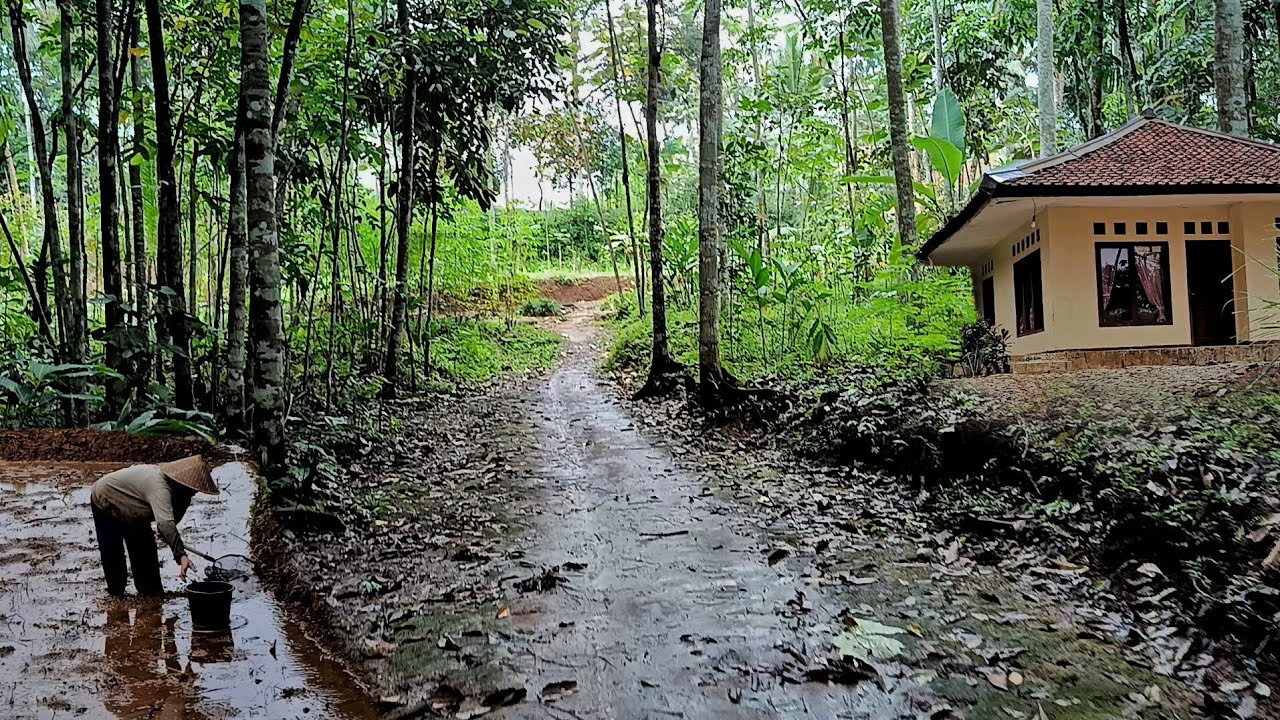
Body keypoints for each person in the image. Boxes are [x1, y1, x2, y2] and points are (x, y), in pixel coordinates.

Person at [90, 455, 219, 596]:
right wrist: (181, 555)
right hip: (106, 500)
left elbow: (170, 522)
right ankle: (116, 597)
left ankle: (151, 595)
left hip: (135, 511)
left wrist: (167, 536)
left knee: (145, 552)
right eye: (192, 489)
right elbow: (166, 524)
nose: (194, 492)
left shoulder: (181, 495)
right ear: (181, 483)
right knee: (114, 553)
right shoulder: (159, 485)